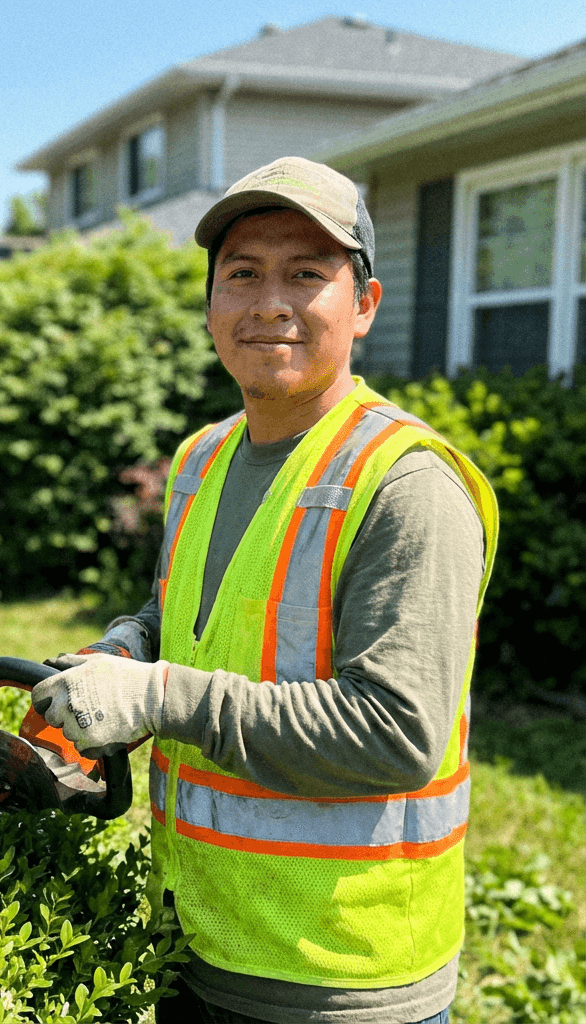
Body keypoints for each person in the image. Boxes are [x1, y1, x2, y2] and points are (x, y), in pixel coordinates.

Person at [31, 156, 498, 1024]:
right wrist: (129, 647)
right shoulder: (201, 459)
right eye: (242, 274)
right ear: (211, 306)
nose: (269, 303)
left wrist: (159, 695)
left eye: (306, 274)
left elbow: (395, 733)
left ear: (363, 305)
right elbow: (198, 620)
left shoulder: (407, 484)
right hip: (194, 940)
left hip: (341, 978)